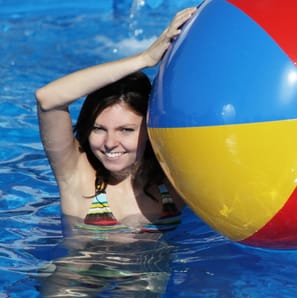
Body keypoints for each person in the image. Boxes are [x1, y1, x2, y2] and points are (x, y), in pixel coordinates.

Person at [35, 7, 196, 232]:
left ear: (150, 129)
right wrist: (145, 58)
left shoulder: (174, 180)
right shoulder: (76, 174)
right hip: (80, 268)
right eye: (99, 128)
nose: (110, 143)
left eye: (125, 130)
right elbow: (47, 98)